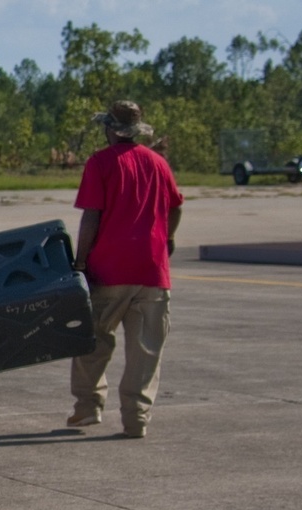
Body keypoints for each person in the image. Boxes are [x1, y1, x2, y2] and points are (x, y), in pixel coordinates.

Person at [67, 101, 184, 439]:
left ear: (109, 128)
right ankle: (137, 417)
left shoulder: (100, 163)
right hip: (152, 271)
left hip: (109, 270)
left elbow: (91, 216)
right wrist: (169, 239)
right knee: (146, 350)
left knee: (93, 341)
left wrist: (80, 261)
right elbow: (176, 207)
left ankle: (88, 406)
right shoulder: (158, 163)